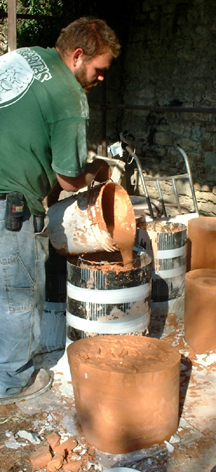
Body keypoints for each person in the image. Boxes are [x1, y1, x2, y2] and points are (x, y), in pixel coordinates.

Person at [0, 17, 121, 403]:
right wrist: (98, 170)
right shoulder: (70, 98)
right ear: (78, 55)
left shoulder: (26, 57)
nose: (101, 78)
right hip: (11, 202)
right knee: (18, 297)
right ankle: (12, 381)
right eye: (99, 70)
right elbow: (69, 180)